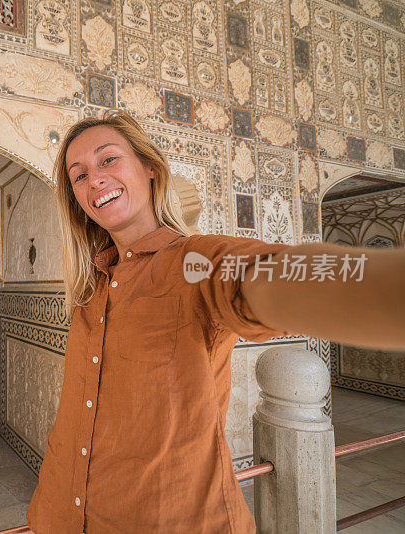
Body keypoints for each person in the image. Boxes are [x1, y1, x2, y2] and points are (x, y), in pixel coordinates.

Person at [23, 110, 405, 533]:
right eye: (79, 175)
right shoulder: (89, 290)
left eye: (108, 159)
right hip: (57, 514)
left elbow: (262, 275)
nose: (94, 179)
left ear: (149, 167)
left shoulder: (193, 262)